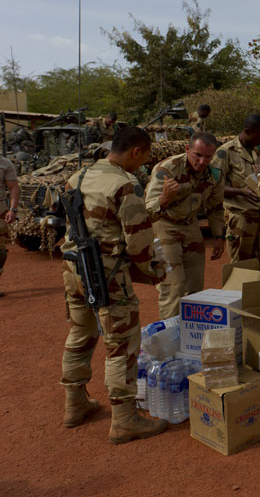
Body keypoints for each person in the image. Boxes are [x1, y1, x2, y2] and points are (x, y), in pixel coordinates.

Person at [60, 126, 168, 444]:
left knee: (80, 333)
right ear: (136, 152)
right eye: (146, 156)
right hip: (106, 273)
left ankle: (74, 404)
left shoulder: (80, 175)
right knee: (121, 343)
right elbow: (138, 241)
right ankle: (123, 419)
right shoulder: (125, 183)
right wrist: (154, 270)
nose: (146, 163)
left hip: (73, 267)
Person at [144, 131, 226, 318]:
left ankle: (190, 335)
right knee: (173, 286)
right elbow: (148, 210)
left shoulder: (214, 174)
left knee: (195, 286)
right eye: (197, 155)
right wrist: (164, 198)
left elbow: (216, 208)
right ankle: (170, 336)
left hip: (191, 226)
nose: (202, 161)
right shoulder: (167, 169)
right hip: (164, 225)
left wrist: (219, 236)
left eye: (207, 157)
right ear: (187, 149)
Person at [212, 114, 260, 263]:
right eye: (259, 136)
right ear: (247, 131)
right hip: (242, 217)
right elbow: (213, 188)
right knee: (241, 264)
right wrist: (241, 192)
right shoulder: (226, 152)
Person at [0, 155, 20, 297]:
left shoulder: (5, 163)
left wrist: (12, 209)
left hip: (0, 209)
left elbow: (13, 187)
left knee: (0, 252)